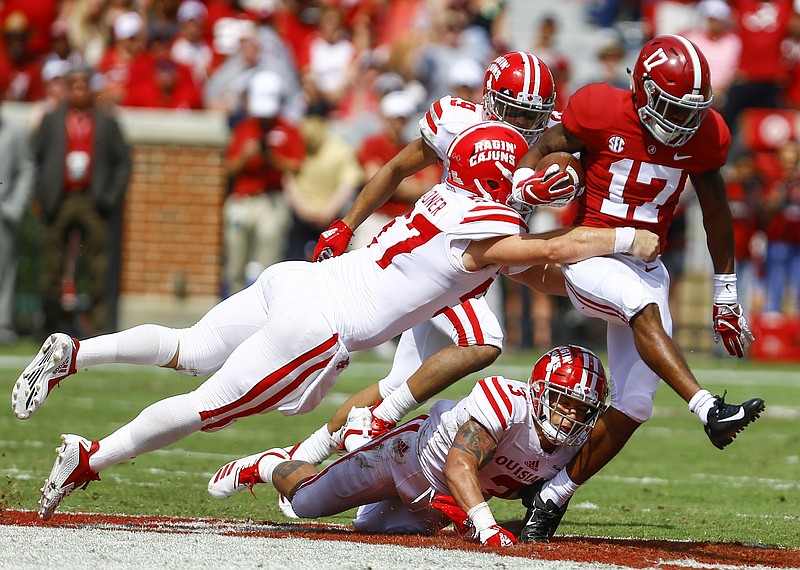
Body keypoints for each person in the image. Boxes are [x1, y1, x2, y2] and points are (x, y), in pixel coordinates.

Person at [11, 121, 659, 523]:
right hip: (322, 324)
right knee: (208, 406)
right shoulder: (486, 224)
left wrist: (528, 191)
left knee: (190, 346)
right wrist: (627, 240)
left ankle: (75, 353)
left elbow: (508, 232)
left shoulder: (447, 197)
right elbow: (546, 250)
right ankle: (91, 458)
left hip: (298, 280)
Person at [509, 35, 766, 543]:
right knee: (640, 304)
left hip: (646, 266)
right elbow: (547, 146)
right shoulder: (599, 107)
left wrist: (726, 293)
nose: (683, 121)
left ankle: (552, 496)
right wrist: (519, 193)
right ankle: (707, 408)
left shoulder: (705, 133)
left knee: (636, 403)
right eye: (672, 106)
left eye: (692, 110)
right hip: (588, 253)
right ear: (643, 91)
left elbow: (716, 211)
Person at [281, 52, 572, 479]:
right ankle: (380, 419)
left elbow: (580, 154)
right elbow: (398, 167)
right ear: (490, 101)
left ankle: (301, 453)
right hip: (445, 258)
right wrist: (347, 222)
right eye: (512, 112)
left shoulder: (547, 136)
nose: (520, 126)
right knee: (485, 339)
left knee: (397, 383)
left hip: (485, 263)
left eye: (531, 116)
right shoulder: (460, 123)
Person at [207, 344, 609, 547]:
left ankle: (356, 441)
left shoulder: (576, 448)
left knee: (371, 529)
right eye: (563, 402)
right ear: (539, 392)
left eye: (581, 409)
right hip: (404, 457)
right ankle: (269, 463)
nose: (570, 417)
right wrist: (487, 527)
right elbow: (459, 465)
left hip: (436, 498)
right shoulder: (506, 401)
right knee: (306, 504)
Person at [32, 65, 132, 337]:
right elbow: (36, 159)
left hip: (92, 199)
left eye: (83, 85)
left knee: (98, 266)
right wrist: (40, 195)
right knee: (52, 266)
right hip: (60, 198)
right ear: (67, 88)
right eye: (73, 85)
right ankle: (50, 327)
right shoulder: (52, 120)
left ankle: (99, 328)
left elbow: (123, 162)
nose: (79, 90)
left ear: (91, 89)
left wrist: (110, 197)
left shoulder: (107, 122)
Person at [222, 69, 304, 294]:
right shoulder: (244, 128)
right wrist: (244, 157)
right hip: (243, 199)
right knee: (235, 262)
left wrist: (271, 158)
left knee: (268, 261)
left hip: (273, 199)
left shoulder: (288, 129)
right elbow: (227, 169)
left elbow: (296, 166)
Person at [0, 90, 35, 345]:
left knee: (5, 270)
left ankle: (3, 326)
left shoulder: (15, 131)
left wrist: (14, 205)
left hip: (3, 212)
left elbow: (26, 168)